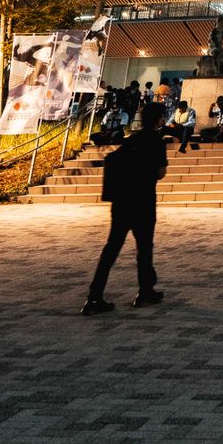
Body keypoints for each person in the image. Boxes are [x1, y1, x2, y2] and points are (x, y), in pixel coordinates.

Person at [82, 102, 168, 314]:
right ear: (158, 120)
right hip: (144, 202)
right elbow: (160, 173)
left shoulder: (132, 140)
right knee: (144, 248)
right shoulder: (156, 141)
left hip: (121, 202)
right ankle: (145, 291)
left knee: (111, 249)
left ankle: (95, 296)